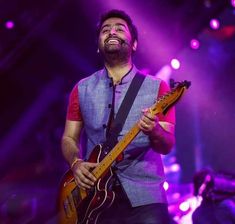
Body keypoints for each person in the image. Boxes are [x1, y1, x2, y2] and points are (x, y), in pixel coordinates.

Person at [61, 9, 175, 224]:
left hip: (145, 198)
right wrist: (75, 163)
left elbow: (167, 145)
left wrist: (155, 131)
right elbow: (68, 138)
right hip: (94, 198)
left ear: (134, 44)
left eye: (119, 29)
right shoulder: (82, 89)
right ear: (98, 45)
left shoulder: (158, 87)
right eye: (105, 30)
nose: (112, 32)